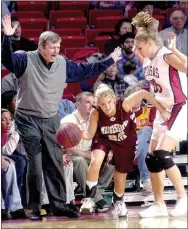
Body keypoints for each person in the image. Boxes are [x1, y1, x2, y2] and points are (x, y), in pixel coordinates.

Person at [1, 15, 121, 220]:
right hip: (27, 118)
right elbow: (7, 60)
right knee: (36, 162)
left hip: (50, 118)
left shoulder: (63, 64)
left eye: (58, 47)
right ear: (41, 46)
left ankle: (59, 204)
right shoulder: (24, 59)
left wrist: (110, 60)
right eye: (52, 47)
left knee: (55, 162)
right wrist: (6, 38)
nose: (57, 51)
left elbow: (86, 71)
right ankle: (34, 207)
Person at [79, 83, 170, 217]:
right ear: (98, 104)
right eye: (102, 104)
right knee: (95, 162)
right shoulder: (96, 112)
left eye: (109, 102)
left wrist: (161, 109)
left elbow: (144, 94)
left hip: (126, 140)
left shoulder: (125, 104)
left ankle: (119, 201)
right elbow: (89, 135)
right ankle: (89, 199)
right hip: (104, 139)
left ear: (114, 99)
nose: (107, 107)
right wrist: (75, 133)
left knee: (119, 176)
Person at [132, 12, 187, 217]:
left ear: (148, 42)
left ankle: (183, 198)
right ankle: (159, 204)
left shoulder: (165, 54)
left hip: (179, 107)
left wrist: (174, 49)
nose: (137, 51)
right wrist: (159, 108)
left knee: (163, 154)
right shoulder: (147, 60)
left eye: (139, 47)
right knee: (151, 158)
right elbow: (152, 92)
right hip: (162, 110)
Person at [61, 91, 115, 212]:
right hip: (70, 156)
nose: (91, 105)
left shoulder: (96, 119)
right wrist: (90, 156)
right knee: (80, 161)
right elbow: (68, 148)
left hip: (89, 155)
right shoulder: (68, 121)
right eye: (87, 102)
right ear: (77, 104)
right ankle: (96, 198)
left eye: (93, 103)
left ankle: (95, 195)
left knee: (112, 160)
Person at [124, 85, 156, 195]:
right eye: (133, 98)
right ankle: (146, 181)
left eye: (138, 98)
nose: (136, 101)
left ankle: (133, 155)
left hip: (148, 140)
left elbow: (155, 130)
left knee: (147, 130)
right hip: (131, 142)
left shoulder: (150, 111)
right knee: (144, 148)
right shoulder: (123, 114)